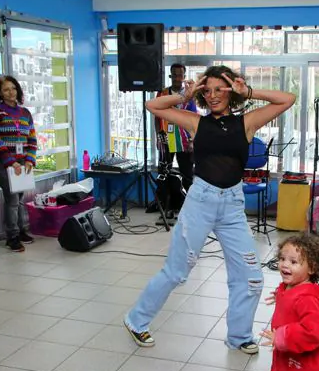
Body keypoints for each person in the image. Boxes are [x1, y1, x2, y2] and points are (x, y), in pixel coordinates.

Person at [123, 65, 296, 354]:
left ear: (231, 91)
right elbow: (152, 105)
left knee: (252, 277)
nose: (214, 96)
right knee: (177, 272)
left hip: (232, 205)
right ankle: (136, 320)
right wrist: (184, 95)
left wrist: (249, 91)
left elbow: (287, 99)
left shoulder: (248, 122)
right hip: (200, 202)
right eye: (209, 90)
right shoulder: (195, 122)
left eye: (220, 89)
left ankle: (239, 336)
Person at [259, 234, 319, 371]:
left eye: (293, 262)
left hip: (306, 367)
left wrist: (282, 337)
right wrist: (281, 296)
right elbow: (293, 296)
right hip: (291, 356)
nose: (285, 265)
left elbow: (312, 333)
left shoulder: (307, 299)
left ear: (312, 268)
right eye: (282, 259)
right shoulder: (292, 287)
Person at [0, 76, 37, 252]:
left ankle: (22, 230)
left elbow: (32, 138)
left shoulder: (25, 113)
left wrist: (30, 159)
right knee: (12, 200)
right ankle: (12, 237)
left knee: (21, 199)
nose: (10, 92)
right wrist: (11, 162)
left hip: (24, 162)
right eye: (6, 89)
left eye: (13, 88)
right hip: (5, 163)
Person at [155, 63, 198, 192]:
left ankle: (189, 205)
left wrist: (192, 140)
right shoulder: (162, 94)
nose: (177, 78)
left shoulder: (189, 95)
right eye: (175, 75)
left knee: (187, 174)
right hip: (166, 138)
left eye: (180, 75)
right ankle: (164, 203)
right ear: (170, 76)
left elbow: (193, 118)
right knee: (163, 172)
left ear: (184, 76)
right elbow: (156, 117)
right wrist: (158, 136)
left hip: (184, 140)